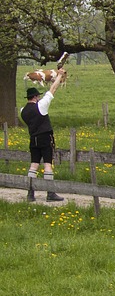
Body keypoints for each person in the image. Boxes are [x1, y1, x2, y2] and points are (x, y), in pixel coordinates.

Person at [21, 71, 67, 202]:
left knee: (33, 165)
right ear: (35, 97)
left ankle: (30, 194)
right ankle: (50, 193)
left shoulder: (23, 112)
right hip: (45, 138)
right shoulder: (41, 106)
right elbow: (53, 89)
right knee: (48, 165)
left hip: (33, 139)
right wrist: (59, 76)